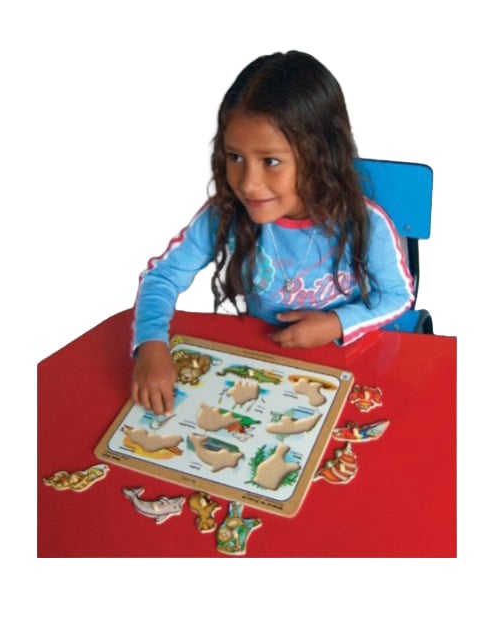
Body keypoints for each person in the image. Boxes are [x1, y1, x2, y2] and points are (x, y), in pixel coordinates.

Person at [131, 50, 414, 415]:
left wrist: (336, 324)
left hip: (350, 362)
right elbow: (163, 276)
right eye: (235, 157)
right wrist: (151, 342)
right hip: (263, 362)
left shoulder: (367, 223)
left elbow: (398, 296)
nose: (248, 183)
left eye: (271, 161)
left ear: (319, 155)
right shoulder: (226, 212)